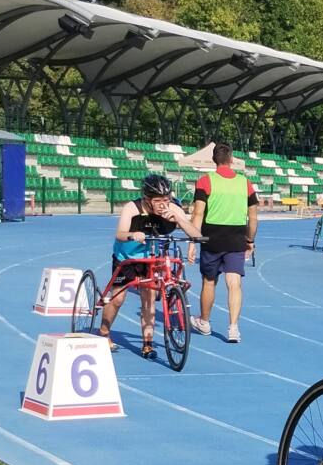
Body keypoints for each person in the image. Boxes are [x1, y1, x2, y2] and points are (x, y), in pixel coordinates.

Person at [98, 174, 197, 359]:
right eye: (158, 201)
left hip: (151, 258)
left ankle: (147, 344)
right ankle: (104, 332)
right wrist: (132, 234)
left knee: (149, 299)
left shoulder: (172, 208)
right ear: (147, 200)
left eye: (166, 200)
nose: (162, 204)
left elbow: (195, 233)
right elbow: (119, 233)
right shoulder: (132, 208)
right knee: (118, 299)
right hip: (126, 257)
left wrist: (179, 219)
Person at [188, 142, 258, 343]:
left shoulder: (205, 181)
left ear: (214, 160)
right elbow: (253, 217)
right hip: (236, 237)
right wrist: (250, 239)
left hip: (212, 238)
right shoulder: (244, 183)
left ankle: (205, 322)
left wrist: (193, 241)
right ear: (231, 159)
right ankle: (233, 328)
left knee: (209, 281)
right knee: (234, 282)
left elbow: (198, 213)